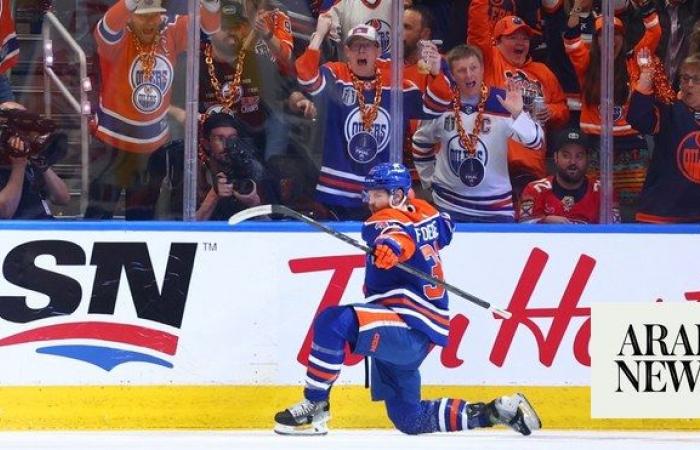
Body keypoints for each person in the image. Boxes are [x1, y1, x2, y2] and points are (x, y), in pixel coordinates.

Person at [273, 162, 542, 436]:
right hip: (415, 332)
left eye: (379, 194)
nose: (371, 201)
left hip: (407, 324)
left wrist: (393, 247)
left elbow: (394, 235)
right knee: (409, 419)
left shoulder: (382, 220)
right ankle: (497, 411)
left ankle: (316, 402)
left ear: (399, 195)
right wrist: (409, 234)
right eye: (370, 194)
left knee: (332, 322)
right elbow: (445, 226)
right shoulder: (426, 214)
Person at [86, 0, 220, 220]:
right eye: (143, 16)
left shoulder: (170, 32)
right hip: (112, 144)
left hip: (152, 146)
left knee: (142, 219)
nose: (150, 22)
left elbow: (208, 29)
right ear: (129, 16)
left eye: (154, 15)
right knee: (98, 215)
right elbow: (106, 28)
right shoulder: (118, 38)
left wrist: (212, 5)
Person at [296, 19, 437, 220]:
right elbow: (307, 78)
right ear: (346, 51)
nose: (361, 51)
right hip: (337, 190)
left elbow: (435, 106)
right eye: (355, 46)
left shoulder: (396, 84)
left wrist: (437, 72)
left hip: (381, 193)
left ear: (378, 52)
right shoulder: (336, 73)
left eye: (367, 45)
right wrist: (318, 37)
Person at [413, 44, 543, 223]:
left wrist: (518, 114)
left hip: (496, 209)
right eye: (461, 70)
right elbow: (421, 142)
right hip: (448, 205)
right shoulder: (441, 102)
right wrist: (429, 182)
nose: (469, 75)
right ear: (451, 74)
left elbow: (536, 142)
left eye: (473, 68)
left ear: (482, 69)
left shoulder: (503, 101)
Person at [564, 0, 661, 222]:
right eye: (603, 34)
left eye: (616, 33)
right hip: (595, 150)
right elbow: (571, 40)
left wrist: (644, 5)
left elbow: (654, 31)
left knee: (631, 215)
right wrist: (578, 9)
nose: (610, 39)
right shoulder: (587, 65)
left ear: (623, 38)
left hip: (632, 151)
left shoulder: (635, 61)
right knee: (591, 211)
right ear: (596, 40)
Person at [468, 0, 569, 196]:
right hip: (494, 163)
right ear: (496, 42)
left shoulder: (543, 72)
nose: (520, 42)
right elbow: (477, 31)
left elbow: (562, 109)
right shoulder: (488, 63)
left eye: (525, 38)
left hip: (531, 167)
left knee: (529, 223)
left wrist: (552, 111)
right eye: (513, 37)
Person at [627, 53, 700, 223]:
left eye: (696, 79)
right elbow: (637, 117)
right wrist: (646, 77)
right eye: (685, 78)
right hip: (661, 214)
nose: (688, 85)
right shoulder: (670, 111)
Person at [518, 127, 620, 224]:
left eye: (579, 156)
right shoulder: (535, 190)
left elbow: (615, 232)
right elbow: (522, 229)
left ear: (588, 158)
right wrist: (545, 221)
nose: (573, 162)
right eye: (566, 155)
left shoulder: (604, 192)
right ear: (555, 157)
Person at [195, 112, 271, 220]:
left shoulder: (253, 170)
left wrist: (254, 203)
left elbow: (275, 228)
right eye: (220, 138)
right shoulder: (194, 175)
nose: (227, 145)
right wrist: (213, 195)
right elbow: (184, 229)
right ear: (206, 144)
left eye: (232, 139)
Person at [0, 109, 70, 219]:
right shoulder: (18, 163)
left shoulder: (30, 161)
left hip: (44, 226)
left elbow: (62, 198)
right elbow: (4, 212)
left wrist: (40, 162)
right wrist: (18, 166)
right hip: (17, 231)